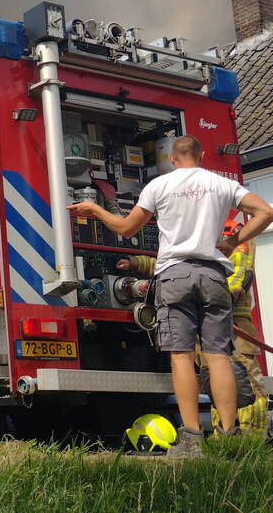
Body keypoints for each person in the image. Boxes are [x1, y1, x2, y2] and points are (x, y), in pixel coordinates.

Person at [69, 135, 273, 458]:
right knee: (218, 357)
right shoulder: (222, 184)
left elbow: (126, 229)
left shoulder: (159, 186)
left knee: (181, 357)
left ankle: (192, 440)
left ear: (173, 160)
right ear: (201, 156)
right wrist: (233, 240)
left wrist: (94, 208)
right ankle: (229, 435)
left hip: (175, 276)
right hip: (213, 276)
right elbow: (265, 212)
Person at [118, 217, 268, 434]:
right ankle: (223, 441)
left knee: (246, 388)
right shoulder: (193, 230)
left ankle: (251, 441)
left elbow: (239, 274)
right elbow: (169, 265)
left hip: (233, 327)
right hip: (205, 327)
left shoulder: (232, 232)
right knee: (216, 389)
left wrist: (214, 296)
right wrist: (135, 263)